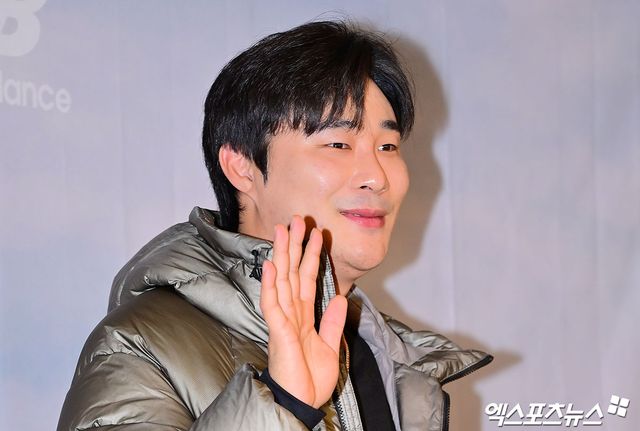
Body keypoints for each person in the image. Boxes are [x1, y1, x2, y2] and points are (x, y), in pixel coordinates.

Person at [58, 20, 491, 431]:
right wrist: (283, 401)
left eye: (388, 146)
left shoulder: (391, 360)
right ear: (242, 167)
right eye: (338, 143)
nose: (377, 176)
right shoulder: (139, 343)